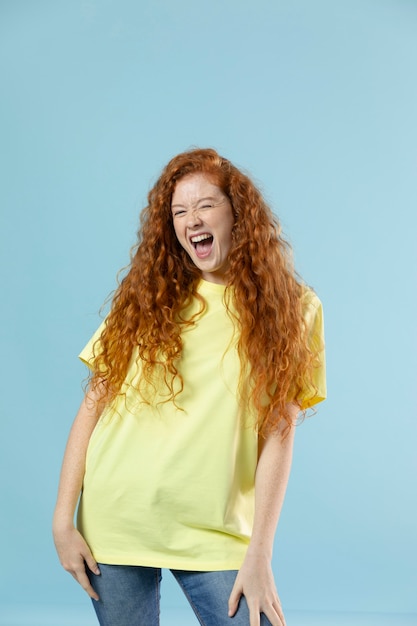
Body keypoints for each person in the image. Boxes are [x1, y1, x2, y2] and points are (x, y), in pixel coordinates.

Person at [53, 147, 326, 626]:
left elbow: (280, 433)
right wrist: (62, 519)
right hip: (117, 517)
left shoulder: (294, 308)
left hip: (215, 529)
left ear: (237, 213)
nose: (191, 220)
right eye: (179, 211)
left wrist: (259, 554)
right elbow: (93, 403)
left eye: (205, 205)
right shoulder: (146, 297)